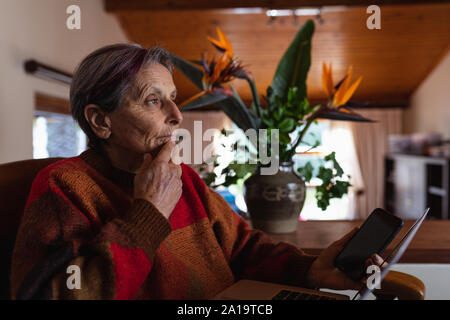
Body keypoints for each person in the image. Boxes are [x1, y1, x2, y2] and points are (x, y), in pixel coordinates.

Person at [10, 44, 382, 300]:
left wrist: (310, 269)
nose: (176, 115)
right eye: (153, 100)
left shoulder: (181, 176)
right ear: (100, 121)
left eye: (173, 98)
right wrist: (150, 214)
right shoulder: (65, 186)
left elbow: (243, 248)